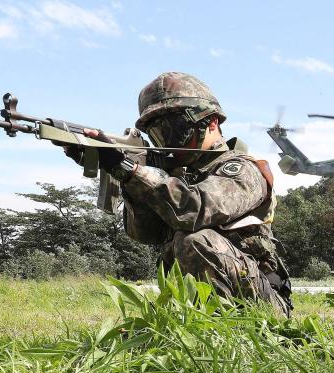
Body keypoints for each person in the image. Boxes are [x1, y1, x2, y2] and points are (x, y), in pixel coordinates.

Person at [63, 72, 292, 314]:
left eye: (175, 129)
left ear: (211, 122)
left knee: (195, 241)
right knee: (180, 243)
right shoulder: (177, 175)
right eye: (158, 134)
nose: (167, 141)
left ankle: (227, 330)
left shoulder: (243, 169)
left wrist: (128, 170)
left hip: (264, 306)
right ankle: (193, 324)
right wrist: (126, 176)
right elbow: (146, 233)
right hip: (198, 304)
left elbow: (194, 208)